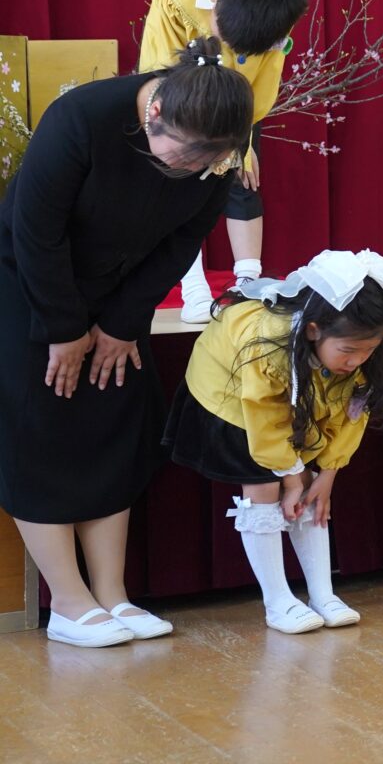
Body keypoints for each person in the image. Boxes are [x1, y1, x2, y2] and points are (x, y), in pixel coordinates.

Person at [0, 37, 252, 647]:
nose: (194, 169)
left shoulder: (215, 152)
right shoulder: (82, 118)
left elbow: (181, 243)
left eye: (209, 159)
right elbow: (36, 232)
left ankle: (112, 594)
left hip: (118, 296)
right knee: (39, 428)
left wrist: (121, 323)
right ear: (156, 111)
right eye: (186, 154)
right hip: (28, 286)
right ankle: (69, 603)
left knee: (114, 423)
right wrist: (63, 328)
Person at [165, 250, 383, 632]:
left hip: (285, 396)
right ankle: (277, 601)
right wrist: (290, 477)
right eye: (348, 351)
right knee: (263, 483)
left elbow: (349, 418)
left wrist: (327, 473)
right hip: (231, 392)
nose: (357, 361)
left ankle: (323, 593)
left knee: (310, 488)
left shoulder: (358, 358)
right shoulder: (269, 344)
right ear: (313, 330)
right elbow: (266, 418)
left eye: (369, 350)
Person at [138, 0, 310, 322]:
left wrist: (241, 139)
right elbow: (159, 67)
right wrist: (176, 126)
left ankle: (248, 281)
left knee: (243, 176)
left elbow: (266, 74)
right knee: (182, 179)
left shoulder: (276, 2)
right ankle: (192, 286)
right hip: (183, 90)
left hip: (239, 93)